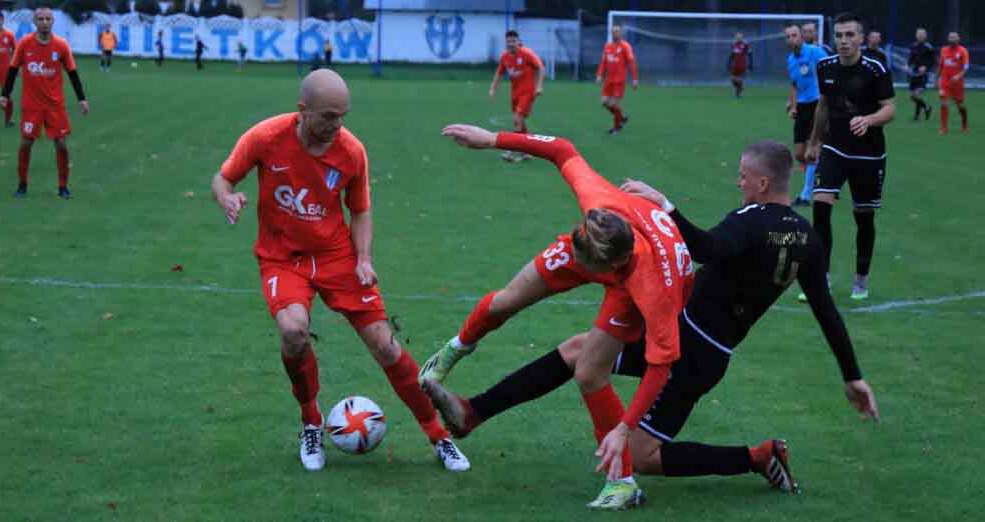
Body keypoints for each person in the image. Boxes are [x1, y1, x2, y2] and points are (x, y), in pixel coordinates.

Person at [424, 141, 879, 500]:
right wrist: (852, 376)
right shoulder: (808, 238)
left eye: (742, 176)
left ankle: (757, 457)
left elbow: (707, 249)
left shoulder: (751, 219)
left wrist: (667, 206)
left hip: (694, 351)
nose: (737, 182)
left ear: (761, 183)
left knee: (643, 455)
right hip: (699, 338)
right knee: (580, 352)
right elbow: (825, 309)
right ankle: (471, 412)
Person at [210, 69, 470, 473]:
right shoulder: (264, 137)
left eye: (343, 115)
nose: (337, 125)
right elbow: (222, 178)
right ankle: (311, 423)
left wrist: (363, 258)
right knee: (294, 332)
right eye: (329, 116)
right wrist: (227, 198)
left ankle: (439, 436)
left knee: (385, 345)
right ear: (303, 111)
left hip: (337, 257)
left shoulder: (351, 151)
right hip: (282, 258)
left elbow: (361, 209)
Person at [424, 124, 694, 510]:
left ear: (612, 265)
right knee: (505, 301)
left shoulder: (653, 290)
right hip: (608, 246)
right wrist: (492, 139)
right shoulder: (598, 209)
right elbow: (563, 149)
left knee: (588, 373)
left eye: (587, 267)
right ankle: (452, 352)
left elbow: (660, 365)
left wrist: (623, 428)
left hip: (630, 286)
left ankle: (623, 484)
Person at [805, 13, 895, 301]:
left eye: (849, 35)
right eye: (839, 35)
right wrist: (814, 141)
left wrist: (869, 120)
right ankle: (822, 278)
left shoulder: (875, 69)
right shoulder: (825, 67)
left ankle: (861, 279)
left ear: (861, 38)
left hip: (868, 156)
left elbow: (890, 109)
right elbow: (823, 106)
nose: (843, 41)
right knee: (820, 205)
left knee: (863, 217)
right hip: (834, 148)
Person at [0, 7, 89, 199]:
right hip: (31, 106)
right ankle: (22, 185)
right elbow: (13, 70)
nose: (44, 22)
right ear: (35, 21)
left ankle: (63, 187)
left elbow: (73, 74)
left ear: (53, 21)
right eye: (41, 19)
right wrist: (5, 94)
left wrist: (81, 99)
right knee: (26, 143)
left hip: (55, 106)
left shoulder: (61, 45)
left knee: (62, 144)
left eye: (48, 19)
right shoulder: (24, 43)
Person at [785, 23, 827, 207]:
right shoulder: (790, 60)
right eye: (788, 36)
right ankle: (825, 173)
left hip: (818, 104)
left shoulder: (815, 52)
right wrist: (793, 106)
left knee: (812, 151)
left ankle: (805, 194)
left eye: (794, 35)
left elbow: (830, 68)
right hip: (802, 107)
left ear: (800, 36)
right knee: (799, 154)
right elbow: (794, 85)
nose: (791, 38)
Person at [488, 31, 544, 162]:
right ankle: (527, 152)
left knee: (517, 119)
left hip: (528, 92)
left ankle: (510, 150)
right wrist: (492, 88)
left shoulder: (526, 53)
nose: (510, 44)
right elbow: (499, 73)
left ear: (519, 42)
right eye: (508, 41)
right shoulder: (505, 57)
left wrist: (539, 86)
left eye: (513, 41)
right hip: (515, 93)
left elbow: (540, 67)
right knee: (520, 122)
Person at [596, 25, 638, 134]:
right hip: (609, 81)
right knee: (604, 102)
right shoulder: (608, 47)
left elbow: (631, 63)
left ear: (621, 33)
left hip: (619, 81)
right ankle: (622, 116)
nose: (615, 33)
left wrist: (634, 79)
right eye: (613, 31)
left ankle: (616, 127)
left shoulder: (625, 46)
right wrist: (599, 75)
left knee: (613, 104)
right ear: (611, 33)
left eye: (617, 31)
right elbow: (603, 63)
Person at [937, 32, 969, 134]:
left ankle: (964, 124)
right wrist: (936, 78)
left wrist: (958, 76)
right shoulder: (944, 50)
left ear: (959, 39)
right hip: (945, 82)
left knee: (960, 105)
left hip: (957, 84)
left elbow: (966, 67)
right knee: (944, 103)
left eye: (954, 37)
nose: (952, 39)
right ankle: (943, 128)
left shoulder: (963, 51)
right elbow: (940, 66)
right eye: (950, 37)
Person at [907, 28, 934, 121]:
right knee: (912, 97)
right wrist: (907, 66)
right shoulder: (913, 46)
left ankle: (917, 115)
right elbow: (911, 59)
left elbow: (933, 61)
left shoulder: (929, 47)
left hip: (923, 74)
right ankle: (927, 108)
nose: (920, 36)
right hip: (914, 74)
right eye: (919, 34)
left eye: (922, 34)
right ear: (916, 35)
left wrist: (926, 67)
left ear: (925, 36)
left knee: (916, 94)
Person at [727, 32, 753, 98]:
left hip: (742, 65)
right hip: (734, 65)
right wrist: (729, 63)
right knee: (731, 78)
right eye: (737, 37)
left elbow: (750, 54)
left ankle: (738, 94)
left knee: (739, 79)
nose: (738, 38)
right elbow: (732, 55)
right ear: (735, 37)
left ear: (742, 37)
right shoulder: (734, 44)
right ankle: (740, 87)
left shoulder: (746, 44)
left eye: (740, 37)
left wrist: (750, 64)